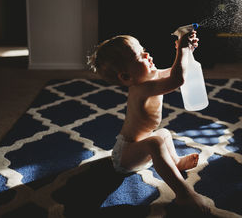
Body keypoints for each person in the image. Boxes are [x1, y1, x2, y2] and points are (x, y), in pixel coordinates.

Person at [87, 30, 211, 215]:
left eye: (144, 50)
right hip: (125, 156)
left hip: (137, 147)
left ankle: (174, 162)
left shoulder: (150, 78)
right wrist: (182, 50)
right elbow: (178, 79)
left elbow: (174, 71)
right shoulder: (143, 88)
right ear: (127, 77)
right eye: (140, 56)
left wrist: (187, 52)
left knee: (163, 133)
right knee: (155, 141)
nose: (147, 54)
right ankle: (184, 194)